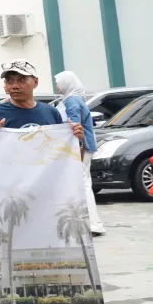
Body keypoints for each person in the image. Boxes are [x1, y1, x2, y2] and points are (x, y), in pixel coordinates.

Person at [0, 60, 96, 304]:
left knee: (60, 259)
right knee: (19, 262)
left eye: (20, 79)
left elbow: (65, 157)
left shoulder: (50, 113)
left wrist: (76, 139)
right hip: (15, 203)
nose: (14, 85)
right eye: (9, 80)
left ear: (35, 81)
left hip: (50, 200)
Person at [55, 71, 104, 236]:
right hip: (84, 146)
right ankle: (91, 222)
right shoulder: (75, 98)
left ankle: (93, 224)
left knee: (82, 184)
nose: (57, 86)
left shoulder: (71, 100)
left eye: (59, 82)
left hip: (81, 147)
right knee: (84, 183)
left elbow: (74, 126)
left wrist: (78, 147)